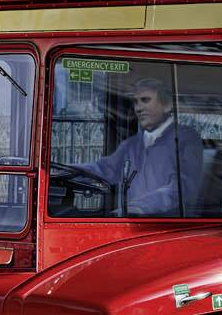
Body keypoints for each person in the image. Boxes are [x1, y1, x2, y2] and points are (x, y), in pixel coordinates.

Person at [68, 75, 201, 217]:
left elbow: (183, 186)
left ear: (167, 104)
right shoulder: (132, 144)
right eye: (136, 102)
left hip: (166, 228)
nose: (138, 108)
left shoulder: (185, 139)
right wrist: (64, 171)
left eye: (145, 100)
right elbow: (105, 169)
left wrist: (139, 208)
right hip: (132, 221)